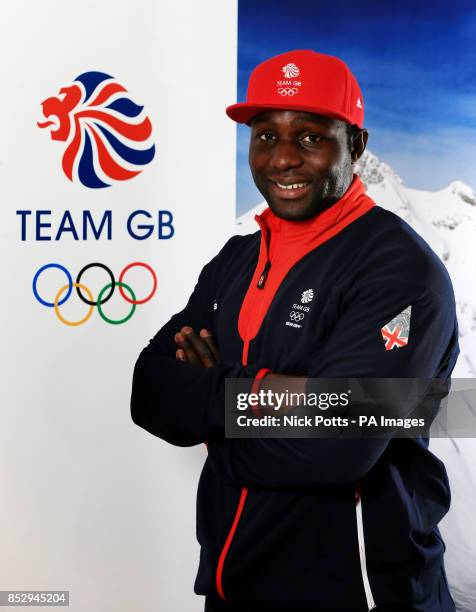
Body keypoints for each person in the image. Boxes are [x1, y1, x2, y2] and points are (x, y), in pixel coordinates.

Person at [131, 50, 459, 611]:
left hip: (358, 593)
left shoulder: (400, 272)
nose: (282, 159)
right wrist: (275, 399)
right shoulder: (237, 257)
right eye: (265, 136)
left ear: (355, 145)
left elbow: (338, 448)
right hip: (231, 583)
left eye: (310, 137)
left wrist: (213, 411)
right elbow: (150, 391)